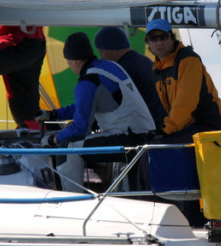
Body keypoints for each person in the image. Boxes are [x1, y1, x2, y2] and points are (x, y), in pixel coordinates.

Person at [37, 32, 155, 190]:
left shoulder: (87, 82)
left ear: (75, 60)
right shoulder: (109, 66)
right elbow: (86, 105)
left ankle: (73, 201)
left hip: (129, 139)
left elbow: (80, 127)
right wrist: (54, 114)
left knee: (68, 147)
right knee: (76, 142)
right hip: (144, 134)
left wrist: (53, 140)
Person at [145, 18, 221, 143]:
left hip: (207, 125)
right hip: (183, 128)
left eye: (163, 37)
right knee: (144, 145)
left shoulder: (188, 60)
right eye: (153, 39)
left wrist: (165, 130)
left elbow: (186, 102)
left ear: (172, 38)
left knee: (158, 147)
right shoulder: (156, 69)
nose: (159, 42)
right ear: (148, 43)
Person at [94, 26, 166, 129]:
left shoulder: (123, 71)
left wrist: (90, 124)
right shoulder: (143, 61)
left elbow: (112, 105)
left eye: (101, 52)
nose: (101, 57)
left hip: (152, 130)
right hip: (163, 124)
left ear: (114, 49)